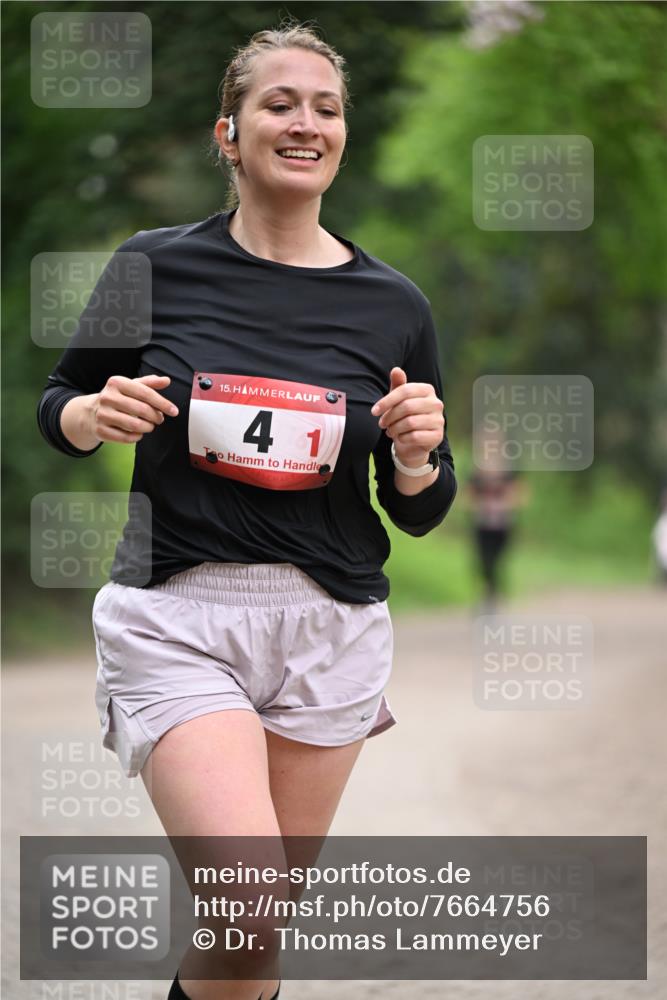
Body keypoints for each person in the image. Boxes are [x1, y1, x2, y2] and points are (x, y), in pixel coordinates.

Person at [37, 22, 457, 1000]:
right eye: (280, 103)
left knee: (247, 945)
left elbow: (424, 509)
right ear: (228, 133)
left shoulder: (394, 303)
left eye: (326, 106)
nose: (306, 121)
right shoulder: (151, 265)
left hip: (330, 629)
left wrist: (415, 455)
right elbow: (58, 404)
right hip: (179, 616)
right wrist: (93, 413)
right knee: (250, 903)